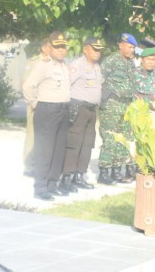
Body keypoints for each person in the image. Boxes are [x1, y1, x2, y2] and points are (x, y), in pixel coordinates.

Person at [22, 31, 71, 201]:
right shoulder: (43, 65)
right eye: (57, 47)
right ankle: (40, 188)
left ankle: (52, 184)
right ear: (49, 47)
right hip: (47, 109)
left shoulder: (65, 66)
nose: (60, 50)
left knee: (58, 150)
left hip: (63, 109)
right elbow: (28, 86)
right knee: (44, 150)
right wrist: (35, 103)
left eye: (63, 47)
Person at [61, 38, 104, 192]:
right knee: (74, 143)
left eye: (99, 50)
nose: (97, 53)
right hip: (78, 108)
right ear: (85, 49)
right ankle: (67, 178)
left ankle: (80, 175)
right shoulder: (77, 65)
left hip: (92, 110)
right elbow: (66, 85)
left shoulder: (97, 67)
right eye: (94, 49)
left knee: (87, 144)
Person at [98, 33, 137, 184]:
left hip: (126, 105)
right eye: (129, 47)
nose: (131, 50)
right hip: (111, 105)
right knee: (109, 138)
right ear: (120, 45)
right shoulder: (111, 61)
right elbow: (99, 80)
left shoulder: (131, 63)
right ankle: (104, 172)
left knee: (123, 139)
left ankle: (116, 170)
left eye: (133, 48)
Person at [21, 38, 51, 177]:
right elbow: (24, 83)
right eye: (51, 46)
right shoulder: (33, 62)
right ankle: (29, 166)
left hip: (51, 105)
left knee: (48, 137)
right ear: (44, 47)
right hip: (36, 105)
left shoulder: (55, 63)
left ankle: (43, 165)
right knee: (32, 136)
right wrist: (33, 102)